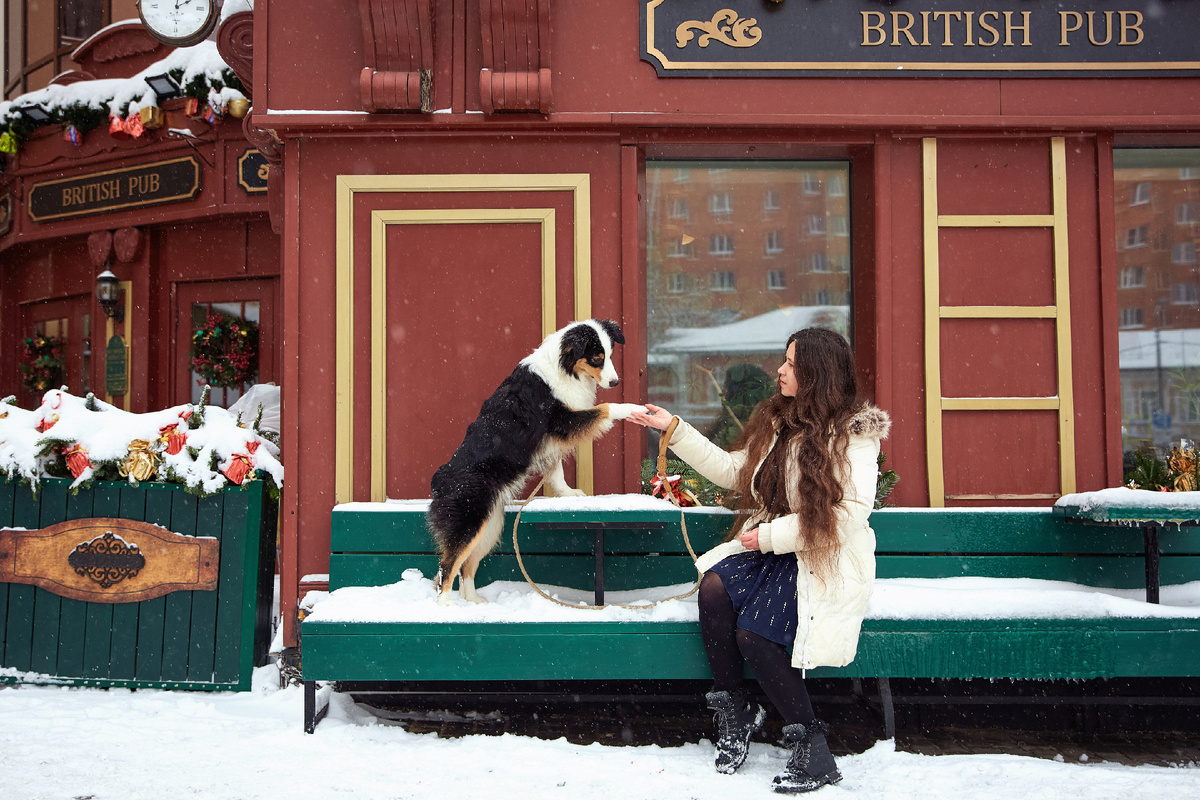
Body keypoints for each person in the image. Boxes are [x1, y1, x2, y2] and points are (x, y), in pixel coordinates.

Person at [627, 327, 890, 794]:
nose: (781, 370)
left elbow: (847, 516)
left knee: (755, 636)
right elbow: (734, 471)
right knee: (714, 589)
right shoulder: (781, 422)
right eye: (784, 361)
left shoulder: (854, 435)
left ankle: (813, 748)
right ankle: (736, 709)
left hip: (819, 555)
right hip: (772, 547)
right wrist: (674, 429)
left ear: (817, 373)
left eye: (791, 363)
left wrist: (770, 535)